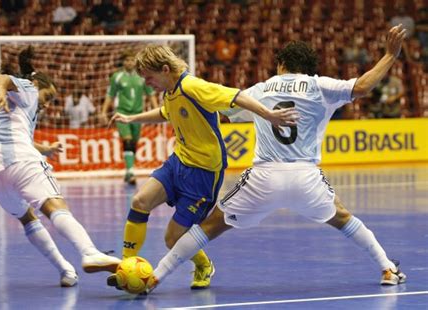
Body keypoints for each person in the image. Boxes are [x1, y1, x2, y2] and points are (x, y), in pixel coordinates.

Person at [147, 24, 408, 292]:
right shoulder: (320, 85)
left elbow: (218, 107)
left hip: (264, 177)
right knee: (344, 219)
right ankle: (387, 268)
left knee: (209, 227)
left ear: (281, 64)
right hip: (305, 177)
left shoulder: (260, 89)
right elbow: (363, 86)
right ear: (308, 66)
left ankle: (155, 276)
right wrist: (390, 55)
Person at [106, 44, 299, 290]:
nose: (147, 84)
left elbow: (236, 95)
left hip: (204, 173)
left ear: (165, 69)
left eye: (149, 78)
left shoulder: (192, 86)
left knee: (172, 239)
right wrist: (132, 118)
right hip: (179, 161)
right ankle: (126, 266)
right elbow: (166, 112)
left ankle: (204, 265)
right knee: (139, 201)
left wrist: (269, 115)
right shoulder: (171, 90)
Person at [0, 46, 121, 287]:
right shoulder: (29, 90)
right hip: (20, 163)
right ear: (38, 87)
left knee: (28, 218)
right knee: (55, 205)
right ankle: (89, 252)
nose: (47, 104)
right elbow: (1, 79)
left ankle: (66, 270)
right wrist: (2, 88)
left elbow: (12, 136)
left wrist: (44, 148)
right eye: (48, 97)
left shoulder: (5, 109)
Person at [101, 50, 159, 185]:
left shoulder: (142, 76)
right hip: (122, 113)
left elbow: (150, 95)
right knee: (127, 140)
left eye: (132, 60)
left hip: (138, 114)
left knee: (133, 142)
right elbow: (110, 95)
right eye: (127, 60)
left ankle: (129, 170)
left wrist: (157, 110)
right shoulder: (117, 76)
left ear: (136, 62)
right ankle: (130, 171)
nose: (129, 63)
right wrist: (103, 111)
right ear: (123, 62)